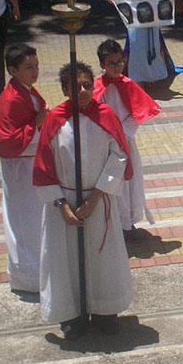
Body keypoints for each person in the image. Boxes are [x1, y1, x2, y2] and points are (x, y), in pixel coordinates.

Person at [33, 61, 133, 340]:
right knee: (66, 260)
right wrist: (62, 205)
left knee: (102, 257)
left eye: (88, 84)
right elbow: (44, 165)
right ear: (64, 90)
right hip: (63, 203)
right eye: (76, 87)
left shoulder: (106, 115)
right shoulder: (55, 119)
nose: (84, 91)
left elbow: (119, 155)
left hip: (98, 200)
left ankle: (104, 310)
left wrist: (96, 197)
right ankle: (71, 315)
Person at [94, 38, 161, 239]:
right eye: (111, 64)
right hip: (105, 143)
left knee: (130, 183)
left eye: (120, 62)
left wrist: (123, 131)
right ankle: (113, 223)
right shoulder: (97, 87)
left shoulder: (128, 83)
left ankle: (128, 224)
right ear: (102, 65)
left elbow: (139, 111)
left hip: (125, 140)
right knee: (111, 182)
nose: (117, 67)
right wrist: (110, 133)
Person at [0, 44, 48, 294]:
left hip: (28, 165)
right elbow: (7, 143)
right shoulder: (12, 98)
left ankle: (36, 271)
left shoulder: (23, 90)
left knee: (32, 219)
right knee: (24, 221)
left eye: (36, 65)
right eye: (28, 67)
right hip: (19, 168)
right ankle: (28, 276)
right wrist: (38, 124)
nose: (35, 71)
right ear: (13, 70)